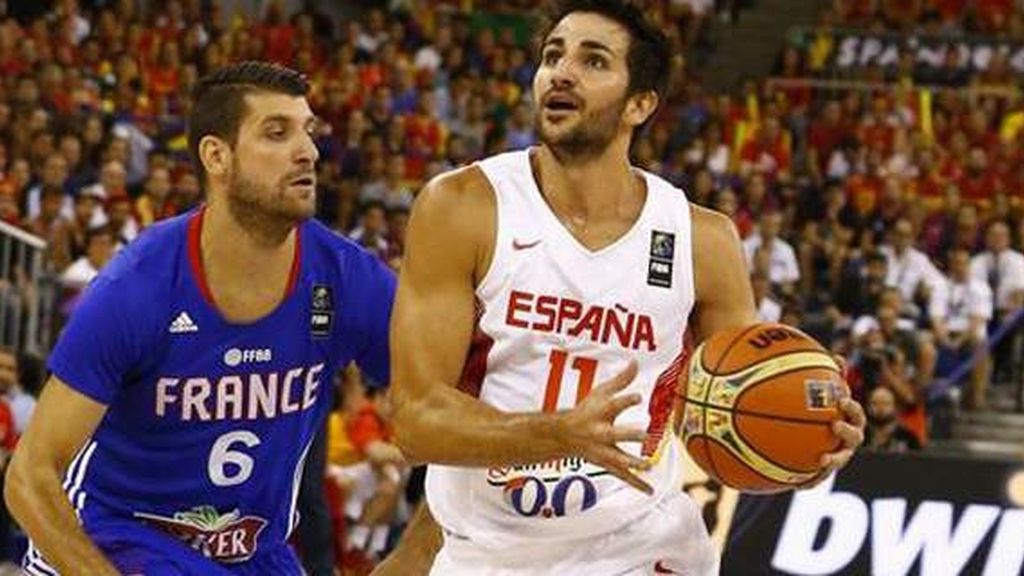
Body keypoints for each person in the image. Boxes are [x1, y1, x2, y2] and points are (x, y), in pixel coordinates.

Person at [384, 2, 865, 574]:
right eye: (552, 56)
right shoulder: (463, 207)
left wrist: (805, 445)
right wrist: (557, 434)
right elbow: (415, 423)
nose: (561, 72)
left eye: (593, 61)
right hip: (491, 550)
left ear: (640, 104)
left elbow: (730, 412)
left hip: (642, 545)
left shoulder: (701, 239)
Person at [6, 61, 395, 576]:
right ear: (216, 155)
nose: (308, 151)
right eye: (276, 133)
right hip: (115, 540)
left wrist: (418, 551)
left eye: (309, 131)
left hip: (254, 551)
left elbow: (452, 397)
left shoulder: (346, 278)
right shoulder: (137, 286)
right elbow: (29, 477)